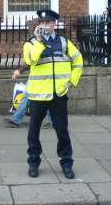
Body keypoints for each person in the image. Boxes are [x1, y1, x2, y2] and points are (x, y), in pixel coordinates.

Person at [23, 9, 83, 179]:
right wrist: (40, 41)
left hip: (59, 94)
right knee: (33, 131)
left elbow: (78, 60)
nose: (45, 25)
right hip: (38, 95)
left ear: (54, 24)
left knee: (62, 131)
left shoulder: (64, 42)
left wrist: (72, 81)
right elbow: (31, 60)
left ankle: (66, 163)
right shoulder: (31, 43)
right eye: (42, 23)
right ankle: (33, 163)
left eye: (48, 22)